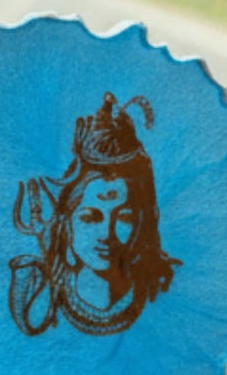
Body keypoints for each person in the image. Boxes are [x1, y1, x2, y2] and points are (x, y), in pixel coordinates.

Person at [9, 93, 179, 337]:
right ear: (67, 220)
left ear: (142, 222)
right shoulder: (44, 291)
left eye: (124, 218)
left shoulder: (162, 285)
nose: (106, 235)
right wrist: (48, 246)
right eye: (90, 218)